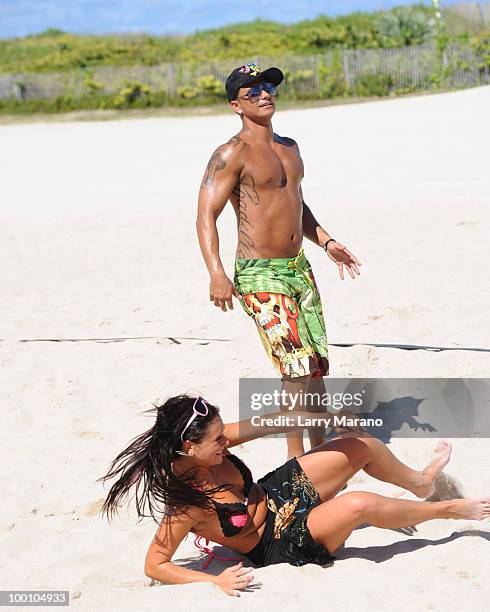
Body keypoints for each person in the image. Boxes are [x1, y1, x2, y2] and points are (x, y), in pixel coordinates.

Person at [99, 395, 489, 598]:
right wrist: (210, 583)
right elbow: (156, 564)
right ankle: (447, 510)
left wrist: (325, 420)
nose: (225, 441)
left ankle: (420, 483)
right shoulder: (186, 502)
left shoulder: (210, 445)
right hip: (276, 544)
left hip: (274, 495)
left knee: (358, 445)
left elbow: (277, 419)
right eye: (217, 440)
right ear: (188, 446)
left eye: (223, 433)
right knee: (360, 504)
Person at [196, 63, 362, 459]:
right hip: (259, 274)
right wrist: (217, 273)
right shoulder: (229, 154)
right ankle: (296, 460)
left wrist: (325, 241)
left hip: (298, 268)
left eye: (268, 86)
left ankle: (319, 452)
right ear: (236, 105)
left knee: (317, 367)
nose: (264, 94)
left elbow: (295, 204)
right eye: (252, 92)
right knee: (296, 368)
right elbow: (205, 215)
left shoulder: (290, 147)